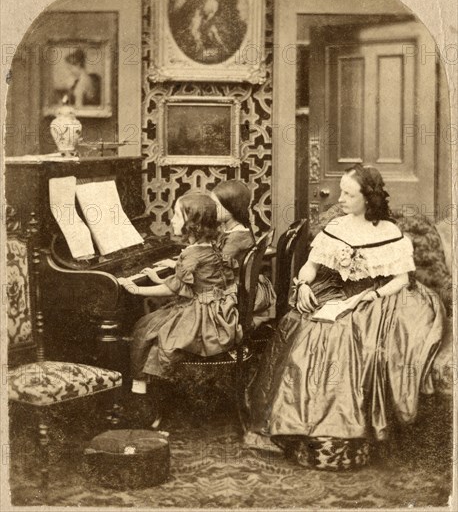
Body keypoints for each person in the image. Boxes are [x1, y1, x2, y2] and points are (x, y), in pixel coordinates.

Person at [245, 165, 444, 470]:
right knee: (307, 325)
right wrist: (304, 284)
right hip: (336, 291)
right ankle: (300, 428)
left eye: (349, 194)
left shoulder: (389, 232)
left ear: (369, 198)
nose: (341, 199)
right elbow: (311, 265)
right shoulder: (337, 225)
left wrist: (366, 298)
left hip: (378, 296)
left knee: (343, 335)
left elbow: (402, 280)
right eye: (341, 192)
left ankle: (340, 434)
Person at [119, 193, 241, 395]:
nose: (171, 219)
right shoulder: (212, 245)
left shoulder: (191, 254)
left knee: (145, 328)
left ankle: (141, 387)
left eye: (176, 215)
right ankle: (142, 384)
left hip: (203, 317)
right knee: (151, 324)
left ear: (193, 224)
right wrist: (160, 278)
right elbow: (196, 280)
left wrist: (137, 289)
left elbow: (173, 288)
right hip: (218, 309)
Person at [210, 180, 276, 327]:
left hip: (235, 296)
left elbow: (214, 269)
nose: (211, 209)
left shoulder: (237, 237)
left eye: (215, 205)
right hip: (237, 290)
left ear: (230, 208)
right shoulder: (237, 230)